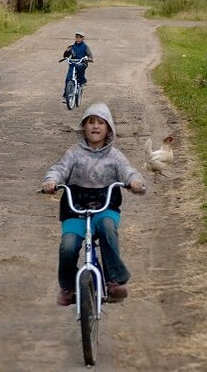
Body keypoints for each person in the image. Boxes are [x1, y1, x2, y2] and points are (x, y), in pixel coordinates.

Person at [41, 102, 146, 306]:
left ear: (109, 129)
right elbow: (59, 169)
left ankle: (113, 281)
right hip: (75, 210)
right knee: (68, 245)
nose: (95, 127)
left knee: (107, 228)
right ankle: (68, 287)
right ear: (83, 127)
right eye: (91, 122)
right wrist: (51, 181)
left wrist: (135, 182)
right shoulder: (74, 152)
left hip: (105, 207)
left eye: (101, 123)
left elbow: (128, 171)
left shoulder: (115, 156)